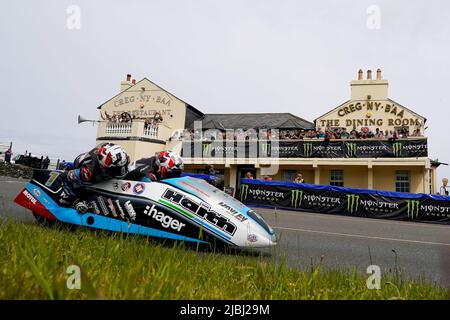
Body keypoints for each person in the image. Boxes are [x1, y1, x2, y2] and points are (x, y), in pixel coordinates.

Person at [62, 143, 130, 213]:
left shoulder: (118, 157)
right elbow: (65, 176)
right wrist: (75, 200)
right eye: (116, 170)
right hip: (83, 176)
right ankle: (75, 202)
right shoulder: (88, 172)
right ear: (104, 166)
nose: (121, 172)